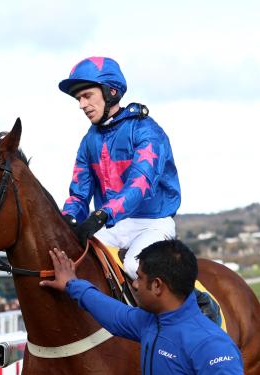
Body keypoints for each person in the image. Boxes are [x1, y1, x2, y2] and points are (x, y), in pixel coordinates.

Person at [58, 56, 220, 324]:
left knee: (136, 265)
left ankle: (199, 307)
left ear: (111, 92)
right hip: (112, 224)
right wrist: (68, 220)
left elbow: (140, 184)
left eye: (87, 96)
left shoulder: (146, 130)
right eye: (79, 99)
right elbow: (78, 194)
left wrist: (100, 216)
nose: (82, 105)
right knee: (75, 259)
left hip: (152, 223)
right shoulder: (88, 142)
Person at [40, 240, 248, 375]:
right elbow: (113, 313)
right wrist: (71, 284)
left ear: (157, 286)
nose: (135, 285)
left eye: (139, 277)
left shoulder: (211, 344)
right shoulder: (150, 322)